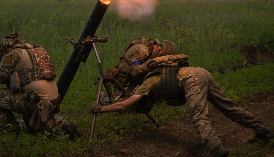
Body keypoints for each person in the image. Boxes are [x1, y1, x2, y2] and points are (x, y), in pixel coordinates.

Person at [92, 46, 274, 157]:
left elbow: (124, 104)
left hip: (192, 80)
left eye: (146, 106)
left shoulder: (147, 85)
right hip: (201, 73)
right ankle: (264, 131)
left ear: (145, 101)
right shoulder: (156, 76)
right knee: (230, 109)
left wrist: (101, 108)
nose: (149, 107)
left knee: (198, 117)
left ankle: (216, 148)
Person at [0, 33, 79, 139]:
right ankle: (60, 126)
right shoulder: (38, 50)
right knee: (33, 129)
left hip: (36, 102)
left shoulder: (12, 54)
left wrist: (1, 65)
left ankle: (11, 132)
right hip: (53, 100)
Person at [106, 37, 177, 102]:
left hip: (133, 80)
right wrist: (151, 63)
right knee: (115, 104)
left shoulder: (152, 50)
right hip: (125, 80)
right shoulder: (143, 51)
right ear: (159, 49)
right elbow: (135, 72)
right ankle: (102, 98)